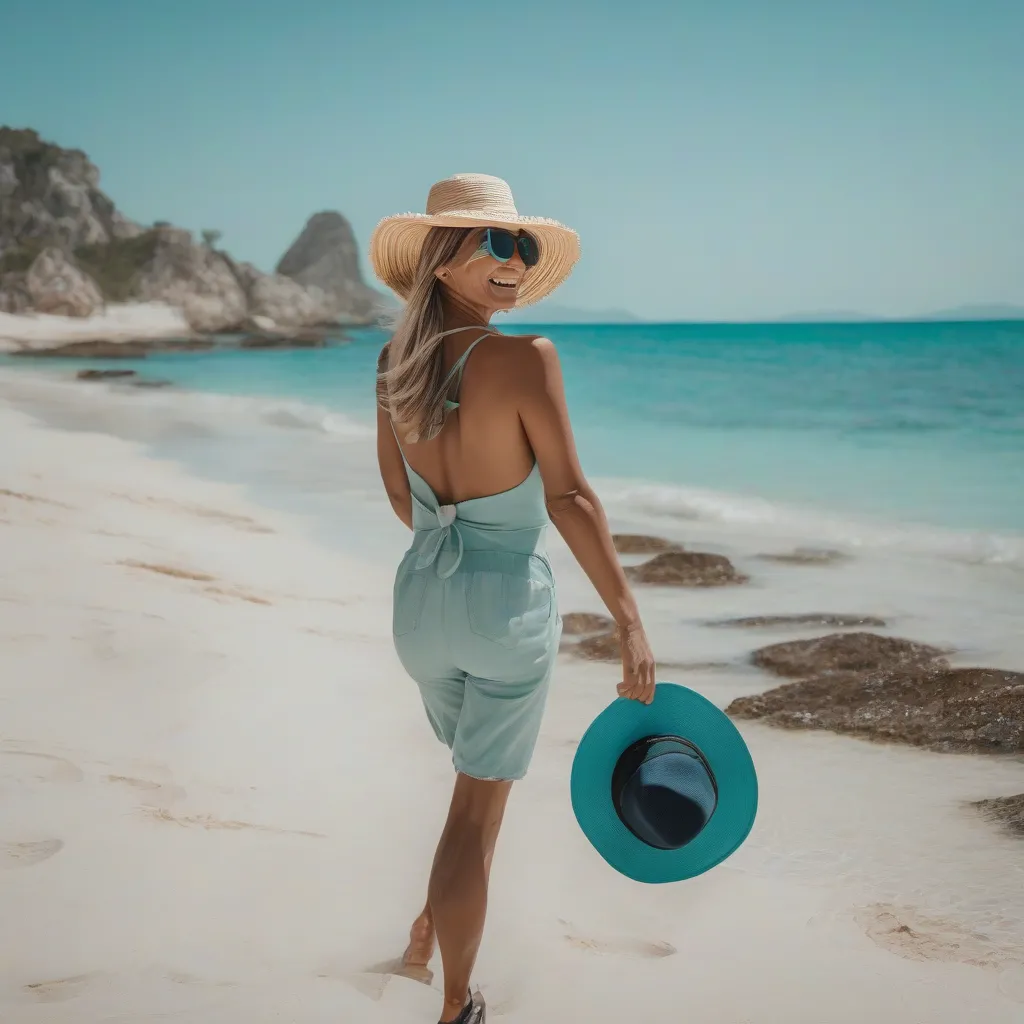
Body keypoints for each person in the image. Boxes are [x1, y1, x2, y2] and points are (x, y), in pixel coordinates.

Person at [371, 174, 656, 1024]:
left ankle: (426, 936)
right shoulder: (528, 359)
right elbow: (570, 499)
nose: (515, 262)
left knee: (473, 793)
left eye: (523, 247)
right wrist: (629, 620)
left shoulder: (394, 364)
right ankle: (459, 1003)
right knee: (475, 807)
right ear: (442, 260)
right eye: (496, 243)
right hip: (502, 607)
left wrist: (448, 542)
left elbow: (397, 495)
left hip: (422, 603)